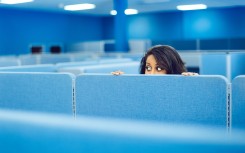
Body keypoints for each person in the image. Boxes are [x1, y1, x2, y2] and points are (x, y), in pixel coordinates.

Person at [111, 45, 198, 76]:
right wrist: (119, 82)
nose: (151, 74)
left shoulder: (179, 91)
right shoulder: (141, 88)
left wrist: (191, 83)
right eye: (148, 68)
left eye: (159, 68)